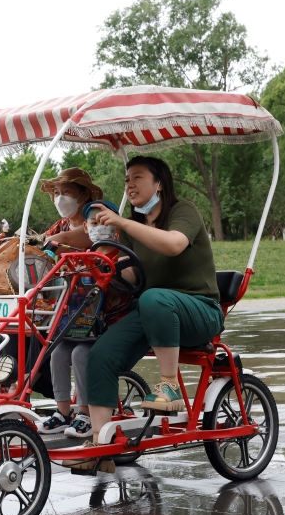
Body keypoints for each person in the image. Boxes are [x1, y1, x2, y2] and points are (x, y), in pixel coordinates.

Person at [83, 156, 223, 449]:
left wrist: (123, 223)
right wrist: (101, 266)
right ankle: (99, 446)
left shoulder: (184, 210)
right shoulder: (133, 227)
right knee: (100, 355)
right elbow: (131, 276)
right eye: (126, 180)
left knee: (153, 298)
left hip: (200, 311)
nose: (129, 185)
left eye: (137, 177)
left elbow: (173, 244)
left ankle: (169, 384)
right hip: (153, 312)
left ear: (158, 183)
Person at [41, 199, 121, 437]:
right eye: (93, 223)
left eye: (103, 223)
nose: (98, 228)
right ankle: (63, 412)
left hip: (105, 323)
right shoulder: (85, 254)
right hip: (79, 322)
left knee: (79, 354)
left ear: (115, 229)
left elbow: (123, 278)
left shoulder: (118, 254)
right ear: (85, 228)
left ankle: (85, 412)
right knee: (56, 352)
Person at [41, 168, 103, 252]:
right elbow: (42, 239)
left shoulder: (97, 222)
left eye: (66, 191)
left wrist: (37, 247)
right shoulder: (61, 225)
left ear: (85, 195)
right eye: (56, 193)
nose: (60, 198)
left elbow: (65, 240)